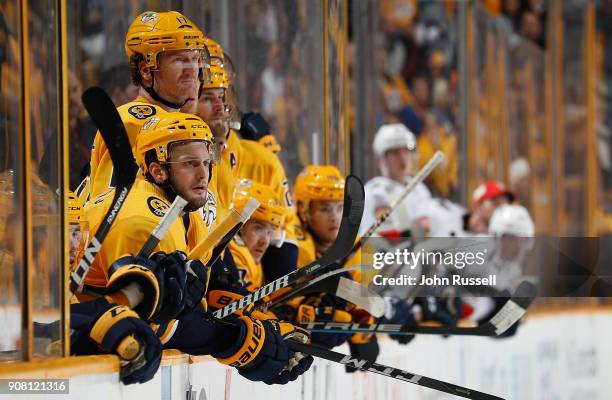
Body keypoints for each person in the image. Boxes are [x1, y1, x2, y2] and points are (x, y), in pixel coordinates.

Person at [84, 112, 313, 384]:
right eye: (190, 163)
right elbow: (159, 318)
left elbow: (198, 294)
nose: (204, 174)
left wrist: (263, 320)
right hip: (85, 348)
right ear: (158, 170)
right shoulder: (144, 221)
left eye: (206, 162)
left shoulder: (185, 210)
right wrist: (237, 341)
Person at [88, 11, 210, 201]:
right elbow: (110, 209)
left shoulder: (183, 123)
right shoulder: (129, 124)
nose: (192, 71)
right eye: (179, 60)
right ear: (146, 70)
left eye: (194, 59)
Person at [67, 191, 163, 385]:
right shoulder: (11, 289)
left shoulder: (65, 294)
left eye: (76, 233)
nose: (72, 245)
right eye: (59, 233)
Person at [362, 123, 433, 238]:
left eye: (406, 151)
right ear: (381, 158)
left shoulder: (420, 190)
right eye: (395, 153)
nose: (403, 157)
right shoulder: (373, 193)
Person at [228, 179, 287, 291]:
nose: (264, 241)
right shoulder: (235, 256)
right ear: (237, 226)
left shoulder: (251, 258)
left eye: (270, 232)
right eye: (258, 228)